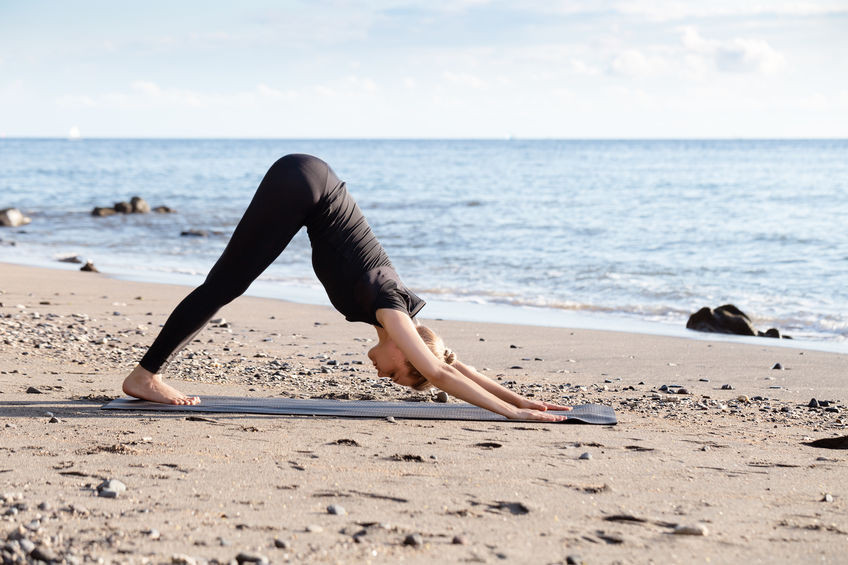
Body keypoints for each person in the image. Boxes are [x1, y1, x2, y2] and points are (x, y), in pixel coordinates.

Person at [122, 154, 571, 422]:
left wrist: (522, 398)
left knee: (226, 285)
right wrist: (515, 415)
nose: (382, 376)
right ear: (406, 349)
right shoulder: (391, 308)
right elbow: (440, 373)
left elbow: (455, 365)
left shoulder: (390, 313)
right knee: (224, 285)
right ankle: (145, 375)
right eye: (396, 372)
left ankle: (147, 373)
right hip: (305, 185)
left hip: (307, 183)